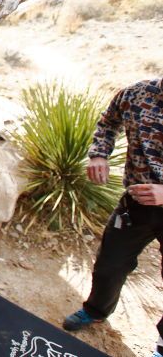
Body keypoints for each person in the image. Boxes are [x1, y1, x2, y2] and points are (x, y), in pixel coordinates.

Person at [62, 78, 163, 357]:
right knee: (110, 265)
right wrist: (99, 155)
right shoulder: (137, 94)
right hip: (136, 205)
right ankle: (95, 311)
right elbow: (108, 122)